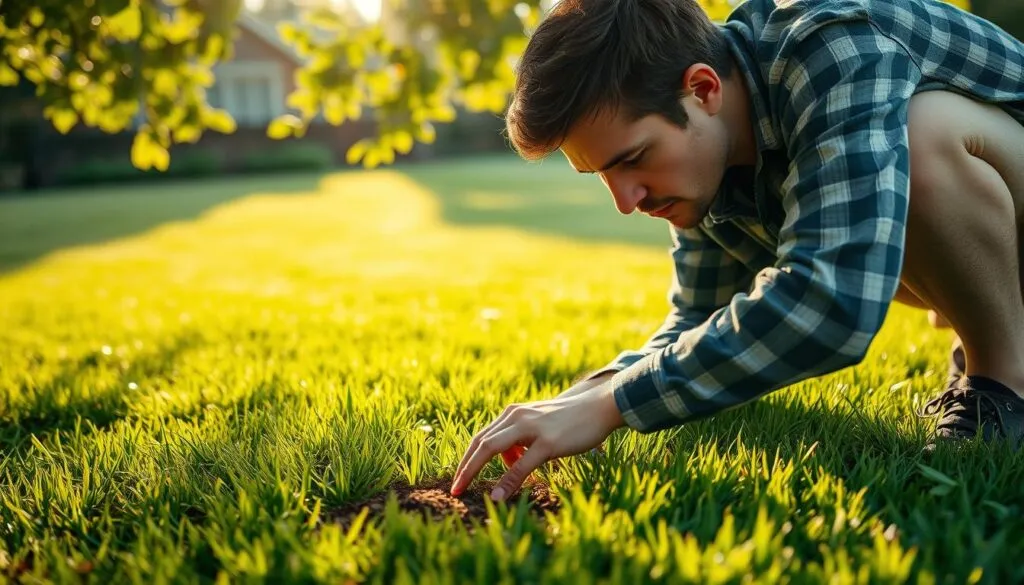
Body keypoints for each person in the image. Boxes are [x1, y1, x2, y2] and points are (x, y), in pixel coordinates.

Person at [450, 0, 1024, 503]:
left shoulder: (832, 43)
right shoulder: (710, 162)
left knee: (920, 133)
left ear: (702, 89)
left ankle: (1005, 382)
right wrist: (594, 390)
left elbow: (833, 300)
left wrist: (615, 406)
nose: (626, 201)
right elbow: (696, 317)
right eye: (600, 174)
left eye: (631, 158)